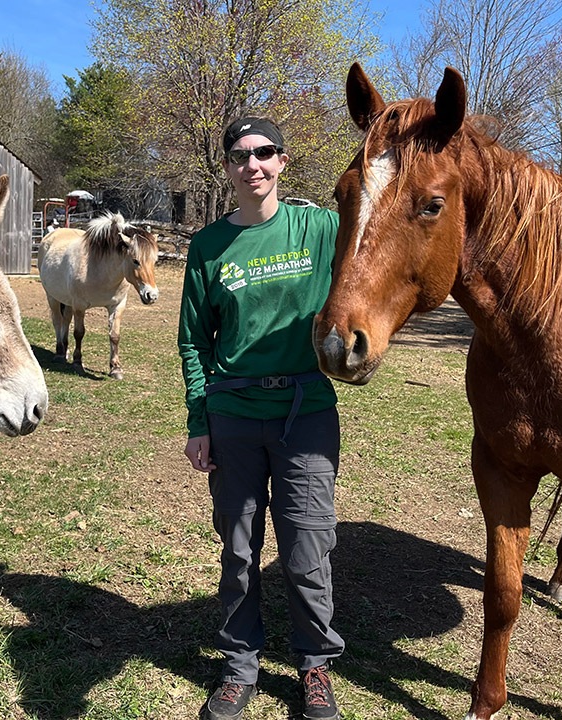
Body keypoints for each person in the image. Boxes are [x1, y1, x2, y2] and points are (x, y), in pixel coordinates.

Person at [178, 117, 343, 720]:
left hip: (307, 413)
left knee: (307, 548)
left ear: (283, 159)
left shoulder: (319, 228)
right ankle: (239, 666)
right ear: (226, 168)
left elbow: (384, 234)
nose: (255, 164)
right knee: (240, 549)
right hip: (234, 415)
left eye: (265, 152)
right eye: (241, 155)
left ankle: (315, 665)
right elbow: (194, 341)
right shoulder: (207, 248)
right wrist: (199, 420)